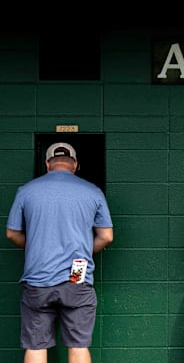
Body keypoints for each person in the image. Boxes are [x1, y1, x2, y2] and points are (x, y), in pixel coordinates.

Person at [5, 142, 114, 363]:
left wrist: (37, 247)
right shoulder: (92, 191)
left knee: (36, 346)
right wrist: (84, 250)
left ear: (47, 164)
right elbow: (106, 236)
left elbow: (11, 234)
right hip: (76, 273)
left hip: (38, 274)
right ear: (74, 165)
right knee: (78, 345)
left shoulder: (26, 191)